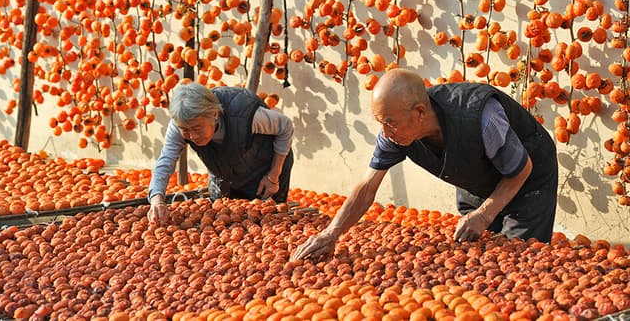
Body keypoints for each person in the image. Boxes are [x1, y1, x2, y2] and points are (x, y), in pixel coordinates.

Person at [293, 68, 558, 260]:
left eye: (390, 122)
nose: (385, 132)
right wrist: (330, 234)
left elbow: (520, 170)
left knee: (519, 257)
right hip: (475, 178)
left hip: (527, 177)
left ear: (419, 112)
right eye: (381, 122)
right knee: (481, 257)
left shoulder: (481, 117)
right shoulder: (394, 132)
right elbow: (367, 188)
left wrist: (484, 214)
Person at [147, 82, 294, 224]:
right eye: (185, 130)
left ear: (215, 114)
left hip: (264, 167)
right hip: (224, 171)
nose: (192, 136)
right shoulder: (181, 122)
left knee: (270, 220)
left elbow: (285, 127)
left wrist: (273, 175)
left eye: (197, 128)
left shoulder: (245, 113)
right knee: (226, 219)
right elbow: (166, 160)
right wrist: (157, 199)